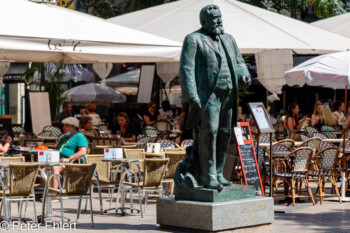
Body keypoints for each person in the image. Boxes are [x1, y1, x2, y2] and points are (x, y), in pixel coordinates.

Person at [178, 5, 251, 190]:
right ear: (204, 21)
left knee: (225, 133)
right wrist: (191, 96)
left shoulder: (229, 39)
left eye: (220, 17)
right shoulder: (194, 39)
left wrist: (244, 74)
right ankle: (208, 175)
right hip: (207, 96)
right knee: (209, 133)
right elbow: (186, 70)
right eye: (214, 18)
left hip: (228, 94)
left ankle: (219, 173)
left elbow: (239, 62)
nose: (218, 21)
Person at [52, 117, 88, 189]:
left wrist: (69, 159)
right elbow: (57, 149)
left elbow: (82, 152)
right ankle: (49, 189)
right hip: (60, 160)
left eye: (66, 126)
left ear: (73, 127)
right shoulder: (65, 137)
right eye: (64, 125)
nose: (63, 128)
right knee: (42, 168)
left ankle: (53, 194)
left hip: (74, 162)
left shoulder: (79, 137)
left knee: (55, 168)